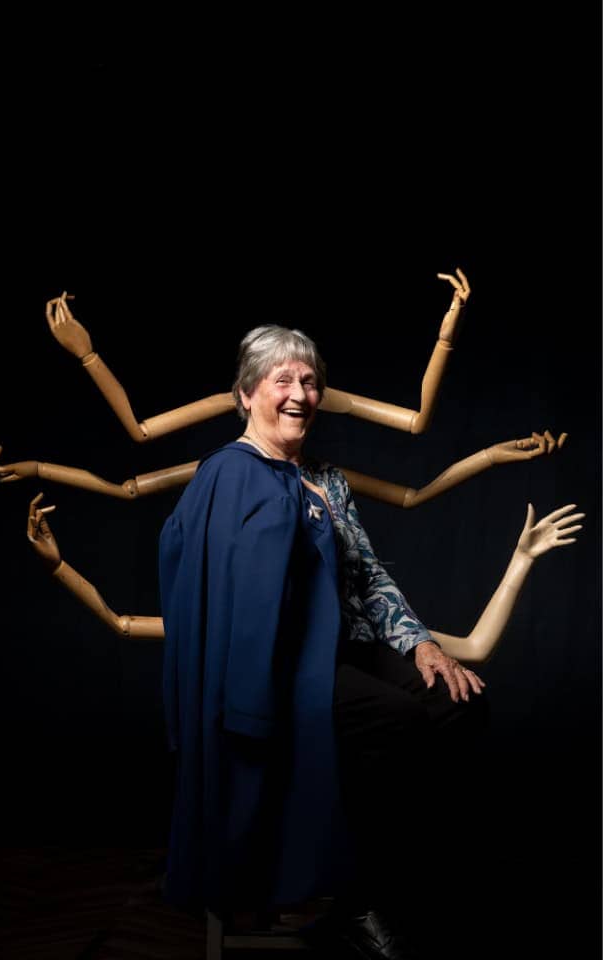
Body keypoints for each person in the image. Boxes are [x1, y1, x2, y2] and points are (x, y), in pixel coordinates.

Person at [158, 325, 489, 959]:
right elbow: (227, 600)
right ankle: (362, 901)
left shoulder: (327, 481)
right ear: (247, 394)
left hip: (343, 649)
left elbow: (366, 572)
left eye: (309, 381)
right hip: (280, 668)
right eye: (282, 380)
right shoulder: (230, 474)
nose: (299, 394)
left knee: (457, 705)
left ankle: (391, 892)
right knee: (394, 722)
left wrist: (421, 644)